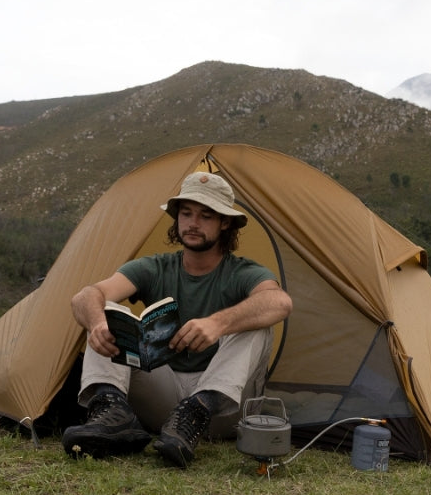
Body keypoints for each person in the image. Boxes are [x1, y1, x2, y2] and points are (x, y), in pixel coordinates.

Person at [62, 171, 293, 468]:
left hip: (220, 411)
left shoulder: (242, 272)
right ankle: (113, 415)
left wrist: (217, 324)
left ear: (225, 223)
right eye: (186, 214)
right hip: (161, 402)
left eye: (205, 216)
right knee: (102, 311)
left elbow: (280, 302)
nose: (193, 223)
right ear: (177, 218)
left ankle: (197, 409)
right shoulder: (155, 267)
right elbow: (85, 296)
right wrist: (97, 324)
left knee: (258, 323)